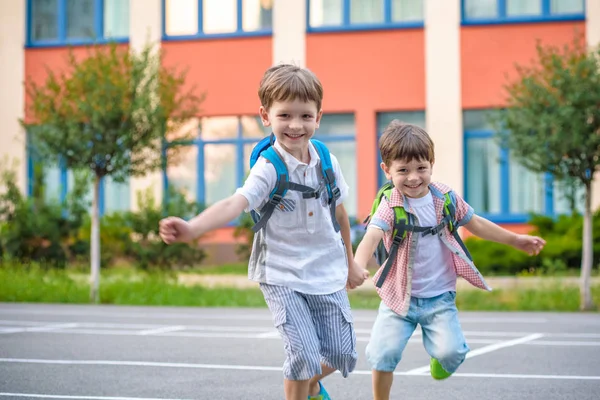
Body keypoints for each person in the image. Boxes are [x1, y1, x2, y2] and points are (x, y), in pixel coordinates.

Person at [159, 64, 369, 400]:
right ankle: (303, 386)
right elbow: (234, 203)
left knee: (344, 355)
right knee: (303, 355)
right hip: (281, 272)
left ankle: (313, 384)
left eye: (305, 115)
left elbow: (340, 213)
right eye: (285, 115)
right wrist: (192, 228)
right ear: (265, 116)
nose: (296, 125)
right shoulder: (269, 167)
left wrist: (351, 263)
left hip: (325, 269)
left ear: (319, 116)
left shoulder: (326, 161)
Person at [353, 120, 546, 400]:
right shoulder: (390, 205)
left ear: (431, 163)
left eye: (421, 168)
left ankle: (439, 358)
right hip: (398, 298)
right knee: (383, 355)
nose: (413, 178)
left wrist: (516, 240)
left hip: (439, 298)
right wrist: (358, 267)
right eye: (403, 170)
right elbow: (370, 237)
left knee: (452, 353)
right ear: (387, 170)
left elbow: (476, 224)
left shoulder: (445, 198)